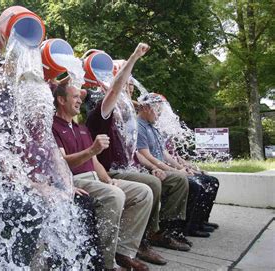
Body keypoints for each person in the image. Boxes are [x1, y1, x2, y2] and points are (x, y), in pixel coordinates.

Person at [86, 43, 190, 265]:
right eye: (126, 84)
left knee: (175, 179)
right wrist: (133, 57)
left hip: (130, 168)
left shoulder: (126, 115)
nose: (128, 89)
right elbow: (115, 89)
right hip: (112, 171)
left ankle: (163, 232)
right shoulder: (101, 113)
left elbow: (136, 152)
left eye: (131, 86)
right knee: (151, 183)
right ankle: (142, 242)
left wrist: (154, 166)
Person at [52, 80, 153, 271]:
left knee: (143, 192)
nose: (80, 101)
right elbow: (63, 162)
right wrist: (91, 150)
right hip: (75, 180)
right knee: (114, 195)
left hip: (96, 179)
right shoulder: (53, 126)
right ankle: (106, 263)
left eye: (80, 98)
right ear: (61, 99)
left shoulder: (81, 128)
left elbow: (96, 162)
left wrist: (108, 179)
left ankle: (123, 251)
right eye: (75, 97)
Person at [135, 93, 208, 242]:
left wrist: (182, 167)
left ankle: (182, 227)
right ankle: (168, 229)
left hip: (162, 168)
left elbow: (165, 153)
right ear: (147, 108)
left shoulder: (152, 127)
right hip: (149, 169)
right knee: (188, 183)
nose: (160, 113)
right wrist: (176, 171)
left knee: (202, 181)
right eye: (157, 109)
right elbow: (146, 156)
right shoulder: (139, 126)